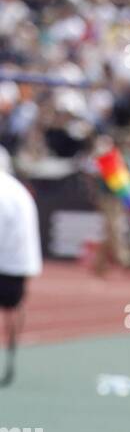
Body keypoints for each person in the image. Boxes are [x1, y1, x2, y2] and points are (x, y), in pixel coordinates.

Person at [0, 146, 42, 385]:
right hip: (20, 262)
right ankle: (11, 354)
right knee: (14, 306)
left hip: (5, 259)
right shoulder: (18, 189)